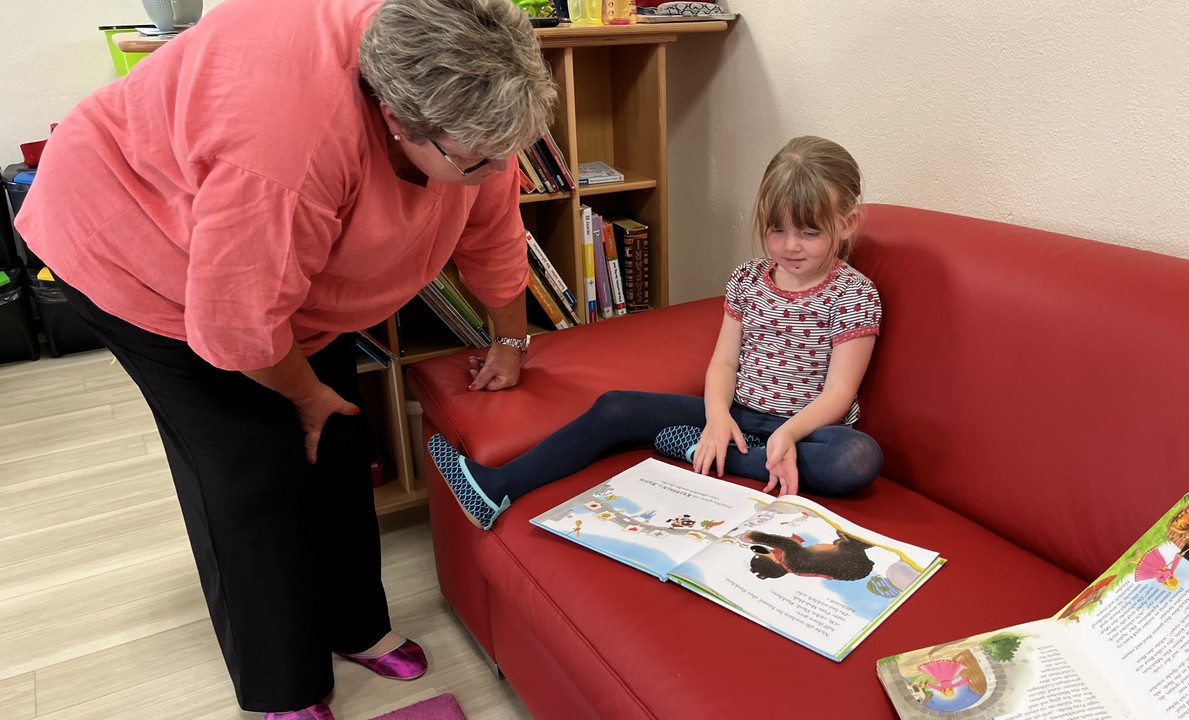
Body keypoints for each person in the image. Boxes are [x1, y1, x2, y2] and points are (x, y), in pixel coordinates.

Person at [15, 0, 557, 717]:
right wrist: (303, 395)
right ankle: (285, 687)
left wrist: (510, 340)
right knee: (251, 465)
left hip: (277, 275)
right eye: (478, 159)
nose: (496, 170)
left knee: (339, 439)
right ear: (399, 119)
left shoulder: (466, 112)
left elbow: (492, 228)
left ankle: (356, 624)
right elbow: (237, 327)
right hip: (136, 245)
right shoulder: (285, 149)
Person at [429, 135, 884, 531]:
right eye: (777, 229)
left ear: (845, 224)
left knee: (857, 458)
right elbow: (725, 362)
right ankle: (497, 487)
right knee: (616, 406)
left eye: (809, 232)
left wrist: (787, 435)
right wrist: (717, 416)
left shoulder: (854, 294)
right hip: (737, 416)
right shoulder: (748, 279)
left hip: (809, 431)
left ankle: (705, 452)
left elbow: (838, 394)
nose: (790, 245)